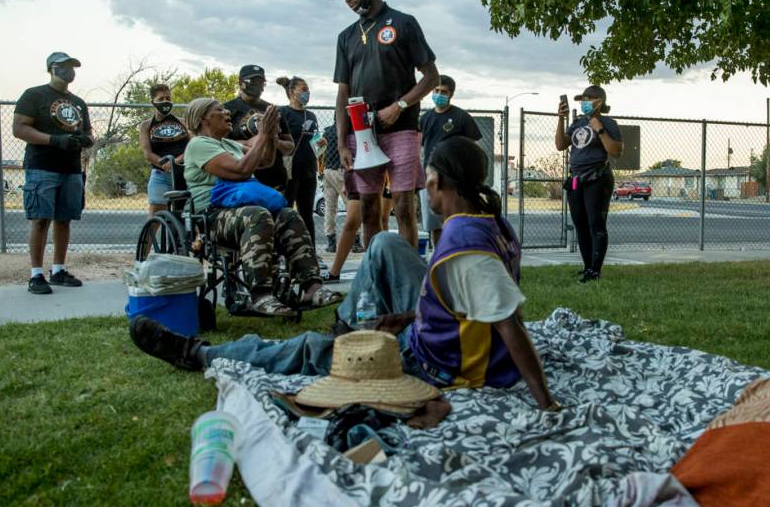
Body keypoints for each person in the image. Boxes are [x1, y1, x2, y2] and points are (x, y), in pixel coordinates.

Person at [129, 137, 560, 411]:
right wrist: (408, 318)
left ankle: (202, 354)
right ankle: (348, 331)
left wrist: (546, 404)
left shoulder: (468, 250)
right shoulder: (488, 221)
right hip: (440, 339)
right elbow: (469, 307)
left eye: (427, 181)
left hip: (440, 366)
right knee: (386, 243)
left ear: (436, 182)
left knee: (305, 351)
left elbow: (508, 323)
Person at [181, 98, 339, 316]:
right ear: (203, 118)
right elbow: (241, 170)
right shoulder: (199, 144)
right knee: (258, 215)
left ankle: (311, 287)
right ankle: (261, 294)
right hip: (214, 216)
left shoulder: (228, 144)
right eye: (220, 110)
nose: (227, 113)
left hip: (242, 209)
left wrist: (270, 135)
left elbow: (263, 161)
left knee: (288, 215)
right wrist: (263, 135)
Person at [329, 0, 439, 248]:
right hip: (361, 135)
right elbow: (343, 94)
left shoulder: (403, 23)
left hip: (401, 128)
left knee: (403, 206)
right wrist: (342, 143)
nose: (349, 0)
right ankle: (377, 273)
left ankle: (407, 274)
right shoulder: (346, 37)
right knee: (368, 208)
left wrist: (400, 106)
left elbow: (431, 77)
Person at [12, 51, 94, 294]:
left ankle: (58, 269)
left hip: (71, 168)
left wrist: (84, 140)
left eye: (73, 67)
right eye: (65, 66)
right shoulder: (34, 95)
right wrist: (54, 140)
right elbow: (19, 128)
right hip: (42, 166)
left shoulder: (78, 102)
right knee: (40, 219)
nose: (70, 70)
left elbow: (89, 134)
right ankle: (36, 274)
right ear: (52, 68)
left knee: (64, 219)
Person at [555, 85, 624, 282]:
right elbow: (561, 145)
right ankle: (587, 267)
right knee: (581, 224)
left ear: (598, 102)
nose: (583, 103)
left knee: (596, 224)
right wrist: (561, 119)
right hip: (576, 178)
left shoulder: (608, 123)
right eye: (581, 100)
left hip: (598, 177)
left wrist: (599, 129)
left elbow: (616, 151)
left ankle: (595, 270)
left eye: (587, 99)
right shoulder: (577, 123)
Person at [419, 74, 482, 245]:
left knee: (454, 221)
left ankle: (458, 254)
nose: (439, 95)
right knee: (434, 225)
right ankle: (438, 257)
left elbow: (473, 147)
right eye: (436, 90)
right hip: (430, 178)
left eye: (443, 92)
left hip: (453, 180)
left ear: (451, 94)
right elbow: (419, 146)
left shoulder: (462, 117)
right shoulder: (425, 119)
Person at [224, 64, 294, 192]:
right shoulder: (227, 109)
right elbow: (220, 144)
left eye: (261, 81)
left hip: (274, 178)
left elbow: (290, 146)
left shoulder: (273, 110)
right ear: (241, 83)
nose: (258, 85)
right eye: (253, 81)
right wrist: (253, 142)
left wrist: (273, 141)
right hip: (243, 181)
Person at [276, 75, 320, 243]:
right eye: (303, 89)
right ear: (292, 92)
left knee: (307, 213)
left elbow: (315, 145)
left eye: (308, 90)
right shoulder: (283, 112)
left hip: (309, 170)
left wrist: (321, 143)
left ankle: (310, 251)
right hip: (289, 171)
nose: (307, 93)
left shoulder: (311, 116)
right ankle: (283, 252)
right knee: (285, 211)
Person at [138, 83, 189, 217]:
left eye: (168, 98)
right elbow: (147, 153)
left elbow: (193, 143)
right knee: (156, 214)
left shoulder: (183, 122)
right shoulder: (146, 125)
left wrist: (176, 161)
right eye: (161, 99)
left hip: (184, 173)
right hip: (160, 175)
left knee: (183, 214)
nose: (165, 102)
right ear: (153, 102)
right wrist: (164, 164)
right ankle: (148, 239)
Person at [320, 124, 362, 255]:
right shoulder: (346, 130)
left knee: (330, 208)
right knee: (352, 204)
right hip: (340, 170)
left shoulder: (327, 131)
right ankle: (355, 242)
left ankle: (331, 242)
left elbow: (319, 151)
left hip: (327, 170)